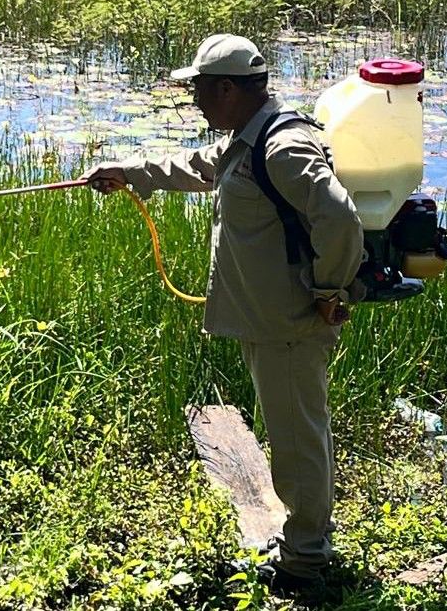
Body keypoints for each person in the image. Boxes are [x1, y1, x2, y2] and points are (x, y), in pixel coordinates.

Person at [82, 34, 364, 601]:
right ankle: (302, 542)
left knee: (296, 441)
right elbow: (196, 166)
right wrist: (127, 172)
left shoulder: (281, 147)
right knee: (293, 433)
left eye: (200, 89)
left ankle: (305, 564)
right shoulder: (247, 140)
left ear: (229, 89)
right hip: (269, 318)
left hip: (289, 322)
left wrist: (332, 290)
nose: (195, 101)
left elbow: (338, 216)